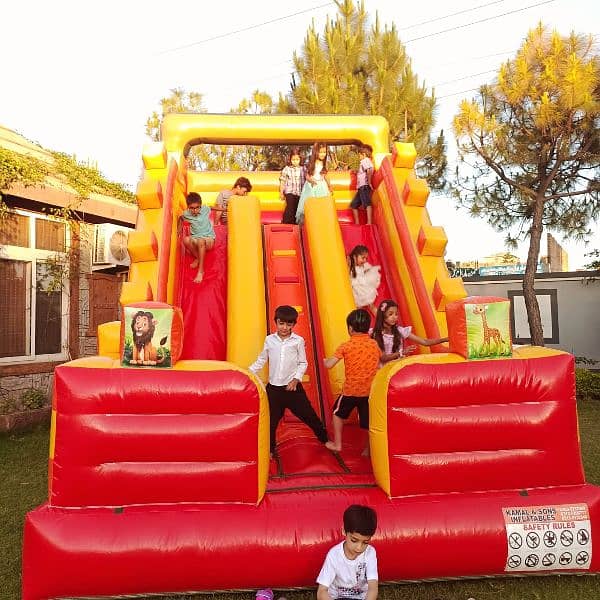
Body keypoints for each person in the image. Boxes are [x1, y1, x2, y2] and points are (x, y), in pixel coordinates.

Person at [249, 305, 329, 456]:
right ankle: (270, 449)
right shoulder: (269, 340)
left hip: (292, 388)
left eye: (288, 324)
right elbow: (261, 359)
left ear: (293, 325)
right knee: (270, 422)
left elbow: (303, 363)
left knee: (309, 415)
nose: (284, 327)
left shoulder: (297, 341)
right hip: (274, 389)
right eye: (281, 323)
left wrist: (296, 379)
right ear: (276, 322)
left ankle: (325, 439)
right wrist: (248, 372)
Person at [323, 309, 381, 455]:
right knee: (368, 423)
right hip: (369, 392)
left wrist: (324, 361)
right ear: (368, 328)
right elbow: (380, 361)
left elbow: (330, 365)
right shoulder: (374, 344)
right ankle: (368, 450)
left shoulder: (346, 346)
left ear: (350, 328)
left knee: (337, 414)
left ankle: (337, 444)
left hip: (351, 391)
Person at [316, 505, 378, 600]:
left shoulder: (370, 553)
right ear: (344, 531)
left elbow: (373, 588)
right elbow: (321, 592)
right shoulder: (334, 555)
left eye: (365, 542)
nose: (359, 548)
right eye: (354, 540)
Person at [371, 299, 448, 365]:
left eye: (396, 314)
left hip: (398, 366)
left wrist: (445, 339)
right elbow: (383, 358)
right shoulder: (377, 334)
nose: (394, 317)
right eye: (390, 314)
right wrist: (402, 352)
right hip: (385, 371)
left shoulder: (399, 331)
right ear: (383, 315)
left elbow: (425, 342)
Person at [179, 192, 215, 283]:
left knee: (200, 241)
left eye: (197, 207)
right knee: (185, 240)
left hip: (208, 239)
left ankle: (201, 271)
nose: (195, 210)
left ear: (200, 206)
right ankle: (198, 258)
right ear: (188, 207)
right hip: (196, 238)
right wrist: (178, 230)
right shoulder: (186, 214)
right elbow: (181, 218)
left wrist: (225, 209)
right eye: (192, 208)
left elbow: (211, 207)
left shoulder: (205, 209)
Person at [295, 142, 332, 225]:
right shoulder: (311, 162)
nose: (323, 154)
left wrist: (329, 185)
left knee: (321, 205)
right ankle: (307, 224)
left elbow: (326, 175)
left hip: (321, 186)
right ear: (316, 152)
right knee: (309, 205)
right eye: (321, 152)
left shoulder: (324, 163)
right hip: (311, 186)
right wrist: (311, 180)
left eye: (324, 152)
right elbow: (307, 176)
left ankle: (320, 222)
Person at [348, 245, 381, 316]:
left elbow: (366, 270)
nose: (365, 260)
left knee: (371, 306)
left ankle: (381, 321)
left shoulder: (363, 266)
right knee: (357, 309)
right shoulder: (351, 265)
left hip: (364, 290)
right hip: (356, 291)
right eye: (363, 258)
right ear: (354, 257)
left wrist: (369, 271)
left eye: (366, 258)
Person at [280, 147, 306, 224]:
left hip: (300, 193)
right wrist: (281, 192)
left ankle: (295, 225)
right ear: (290, 160)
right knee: (290, 208)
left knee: (297, 209)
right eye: (293, 160)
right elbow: (282, 181)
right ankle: (286, 222)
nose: (295, 162)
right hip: (290, 192)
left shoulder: (303, 169)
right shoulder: (287, 169)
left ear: (300, 159)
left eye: (297, 159)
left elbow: (307, 179)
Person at [350, 145, 374, 225]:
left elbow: (369, 170)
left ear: (363, 154)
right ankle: (357, 223)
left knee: (367, 204)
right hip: (361, 187)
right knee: (353, 205)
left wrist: (369, 182)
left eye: (359, 155)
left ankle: (369, 222)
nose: (359, 157)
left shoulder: (365, 160)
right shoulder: (365, 161)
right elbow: (363, 171)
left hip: (364, 186)